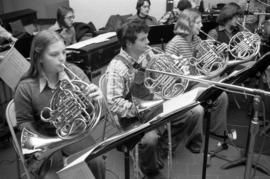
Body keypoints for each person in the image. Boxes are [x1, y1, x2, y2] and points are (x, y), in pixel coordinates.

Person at [106, 19, 204, 178]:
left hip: (154, 104)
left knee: (194, 112)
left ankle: (163, 149)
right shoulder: (118, 67)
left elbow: (163, 75)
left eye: (147, 37)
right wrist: (141, 108)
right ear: (129, 43)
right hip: (132, 114)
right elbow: (113, 102)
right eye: (143, 39)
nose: (149, 41)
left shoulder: (148, 53)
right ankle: (149, 170)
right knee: (149, 139)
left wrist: (177, 68)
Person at [14, 30, 105, 179]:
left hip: (76, 133)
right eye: (54, 55)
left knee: (97, 163)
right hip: (45, 139)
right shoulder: (25, 88)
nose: (62, 59)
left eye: (63, 52)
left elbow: (92, 111)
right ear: (39, 57)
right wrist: (40, 144)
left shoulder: (74, 72)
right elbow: (24, 122)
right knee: (51, 177)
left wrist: (97, 99)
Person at [165, 8, 228, 137]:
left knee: (221, 94)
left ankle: (217, 130)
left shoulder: (196, 39)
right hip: (181, 87)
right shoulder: (174, 44)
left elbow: (209, 63)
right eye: (198, 23)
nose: (202, 25)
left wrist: (219, 52)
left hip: (196, 81)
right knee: (217, 90)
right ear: (188, 24)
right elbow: (167, 76)